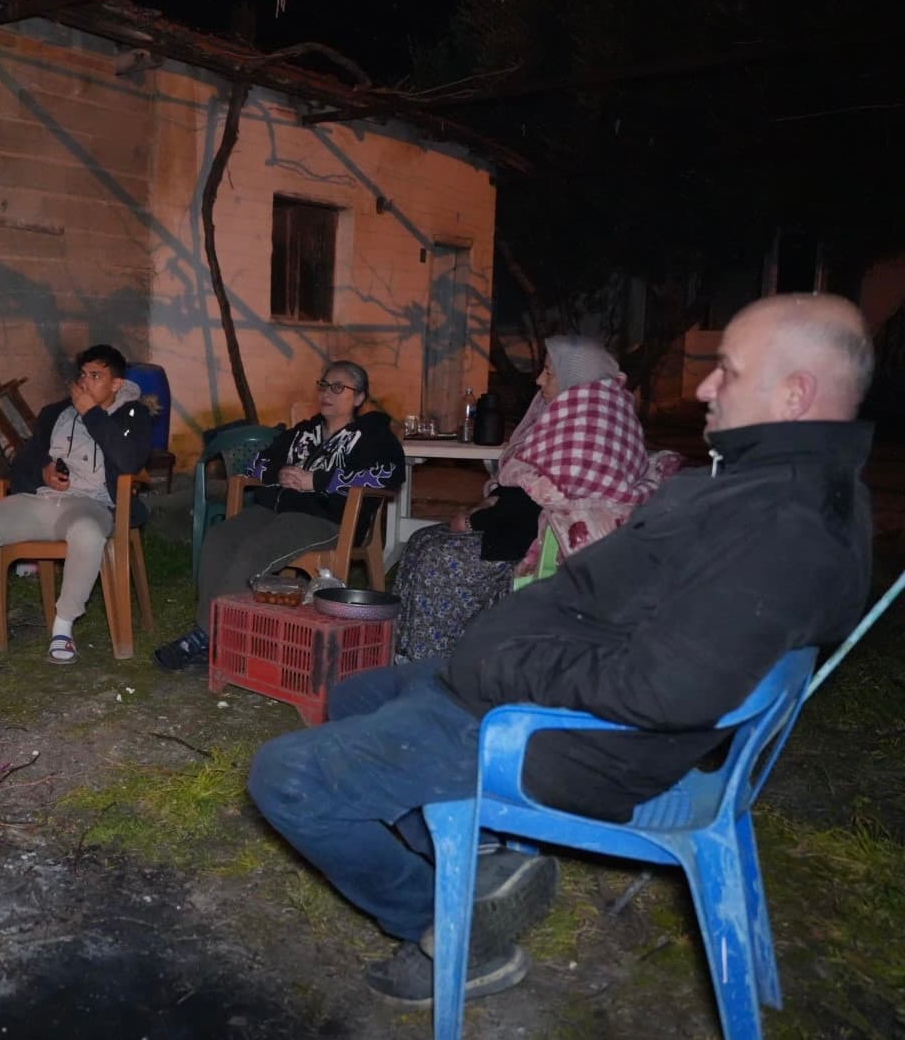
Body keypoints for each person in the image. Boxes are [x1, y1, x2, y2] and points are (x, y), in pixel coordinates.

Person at [246, 293, 873, 1006]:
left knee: (286, 776)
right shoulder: (763, 488)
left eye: (725, 371)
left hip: (560, 738)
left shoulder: (782, 527)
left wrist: (500, 666)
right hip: (536, 692)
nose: (703, 386)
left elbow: (666, 691)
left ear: (794, 394)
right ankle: (472, 851)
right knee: (358, 693)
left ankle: (448, 925)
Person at [393, 335, 680, 662]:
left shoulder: (589, 423)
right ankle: (405, 651)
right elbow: (532, 487)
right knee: (422, 538)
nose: (539, 379)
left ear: (576, 377)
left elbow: (545, 499)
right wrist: (486, 507)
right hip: (527, 525)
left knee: (439, 558)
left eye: (549, 372)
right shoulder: (594, 409)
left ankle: (431, 662)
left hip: (547, 544)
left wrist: (476, 519)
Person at [154, 361, 406, 671]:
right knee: (220, 538)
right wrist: (281, 473)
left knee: (255, 550)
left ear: (358, 398)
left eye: (338, 387)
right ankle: (212, 633)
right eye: (324, 385)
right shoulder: (304, 431)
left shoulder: (374, 437)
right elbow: (259, 465)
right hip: (276, 507)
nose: (327, 392)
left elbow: (388, 476)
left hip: (327, 517)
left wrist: (316, 480)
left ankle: (209, 638)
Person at [0, 344, 151, 666]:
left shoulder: (134, 413)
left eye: (96, 376)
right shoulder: (56, 414)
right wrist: (43, 472)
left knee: (88, 534)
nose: (85, 383)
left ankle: (63, 628)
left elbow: (129, 460)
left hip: (90, 504)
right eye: (83, 376)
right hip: (42, 501)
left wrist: (92, 413)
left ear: (116, 384)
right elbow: (21, 465)